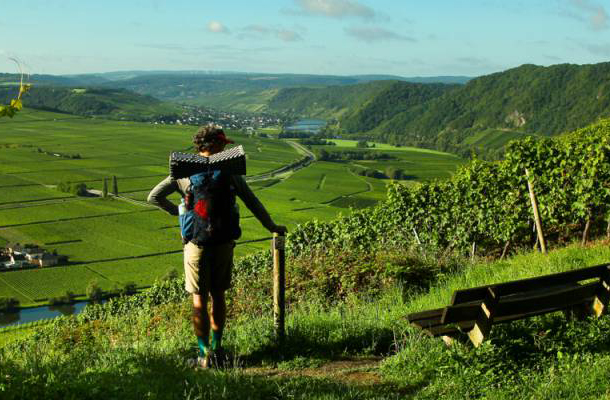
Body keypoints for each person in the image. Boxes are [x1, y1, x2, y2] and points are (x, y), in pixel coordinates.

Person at [147, 124, 287, 368]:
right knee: (219, 296)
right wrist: (272, 226)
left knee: (198, 301)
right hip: (223, 242)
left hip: (195, 244)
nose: (226, 147)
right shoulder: (229, 171)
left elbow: (154, 197)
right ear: (216, 145)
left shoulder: (183, 172)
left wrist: (179, 214)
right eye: (223, 144)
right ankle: (218, 349)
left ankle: (203, 355)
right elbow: (252, 201)